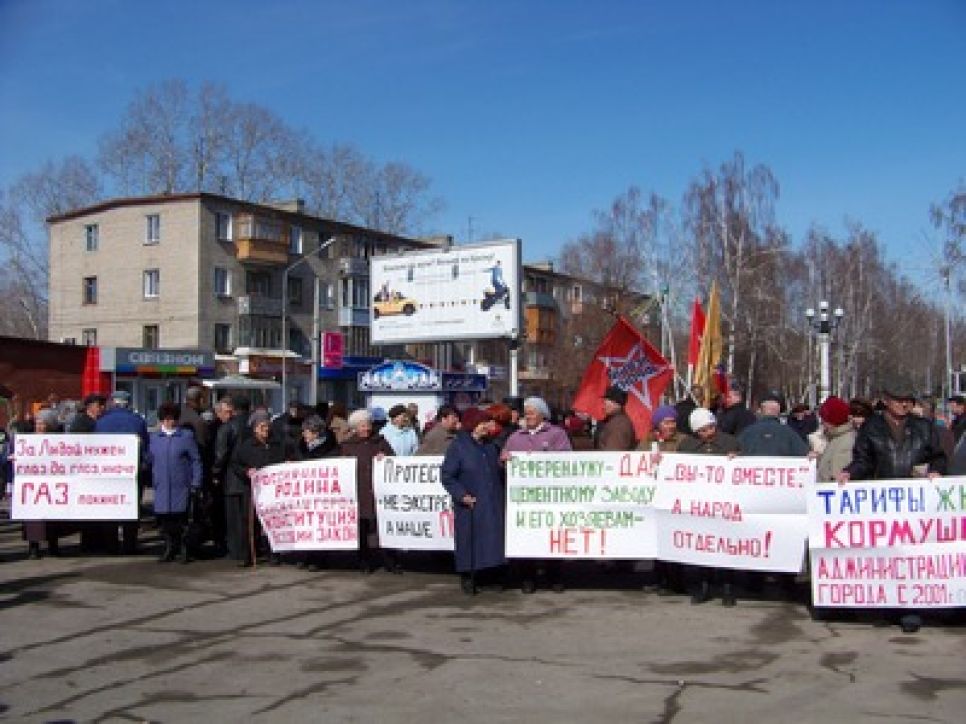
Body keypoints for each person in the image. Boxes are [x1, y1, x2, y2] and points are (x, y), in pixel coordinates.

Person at [838, 381, 947, 633]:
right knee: (887, 555)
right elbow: (863, 460)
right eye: (899, 399)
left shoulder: (924, 427)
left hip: (917, 501)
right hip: (883, 501)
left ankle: (911, 608)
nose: (905, 403)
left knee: (913, 555)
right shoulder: (871, 427)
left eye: (909, 399)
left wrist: (937, 471)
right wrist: (849, 473)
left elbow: (938, 456)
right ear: (886, 400)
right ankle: (888, 604)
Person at [501, 396, 571, 593]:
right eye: (526, 411)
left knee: (551, 536)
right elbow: (504, 459)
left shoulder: (557, 435)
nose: (528, 414)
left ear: (543, 414)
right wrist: (504, 459)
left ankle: (554, 577)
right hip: (524, 500)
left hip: (550, 497)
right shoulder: (516, 437)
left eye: (532, 411)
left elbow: (568, 461)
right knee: (527, 538)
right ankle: (527, 578)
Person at [678, 407, 741, 606]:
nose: (707, 434)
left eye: (710, 428)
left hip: (725, 503)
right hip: (699, 503)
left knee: (725, 546)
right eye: (702, 431)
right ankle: (703, 587)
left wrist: (737, 459)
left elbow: (746, 466)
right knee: (703, 546)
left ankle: (728, 588)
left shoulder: (729, 442)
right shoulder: (687, 445)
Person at [441, 407, 506, 594]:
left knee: (492, 540)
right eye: (483, 423)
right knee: (469, 541)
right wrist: (461, 495)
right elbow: (447, 476)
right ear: (473, 425)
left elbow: (498, 471)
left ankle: (491, 576)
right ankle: (468, 577)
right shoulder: (458, 447)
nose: (487, 426)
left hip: (491, 500)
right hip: (470, 502)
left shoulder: (491, 446)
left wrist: (505, 463)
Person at [339, 409, 396, 573]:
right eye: (362, 426)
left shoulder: (380, 441)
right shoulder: (348, 445)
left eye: (368, 425)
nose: (366, 429)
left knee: (382, 527)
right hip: (359, 492)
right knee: (362, 528)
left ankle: (389, 560)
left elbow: (394, 459)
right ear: (355, 428)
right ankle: (364, 561)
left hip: (379, 491)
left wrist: (385, 457)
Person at [95, 390, 151, 554]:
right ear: (128, 403)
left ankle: (111, 545)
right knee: (131, 508)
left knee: (110, 508)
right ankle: (129, 545)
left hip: (108, 473)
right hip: (132, 473)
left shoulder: (102, 422)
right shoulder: (138, 421)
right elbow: (146, 449)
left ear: (113, 402)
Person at [228, 410, 284, 567]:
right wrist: (246, 471)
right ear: (254, 428)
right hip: (253, 490)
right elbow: (235, 464)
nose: (266, 429)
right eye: (262, 426)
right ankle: (250, 555)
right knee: (251, 522)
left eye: (267, 426)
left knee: (273, 522)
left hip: (274, 491)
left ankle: (274, 554)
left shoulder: (276, 444)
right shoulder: (246, 446)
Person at [149, 402, 203, 563]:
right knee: (166, 522)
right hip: (162, 486)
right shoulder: (155, 439)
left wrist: (196, 482)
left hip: (181, 486)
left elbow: (196, 461)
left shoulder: (186, 437)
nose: (169, 422)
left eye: (172, 419)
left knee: (182, 521)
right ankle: (169, 548)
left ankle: (184, 549)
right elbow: (149, 460)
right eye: (166, 419)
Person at [20, 410, 71, 559]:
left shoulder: (58, 442)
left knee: (52, 517)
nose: (40, 426)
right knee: (32, 519)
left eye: (43, 423)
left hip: (52, 485)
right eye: (38, 423)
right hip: (32, 486)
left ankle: (53, 546)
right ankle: (33, 547)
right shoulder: (26, 441)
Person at [738, 394, 809, 457]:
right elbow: (803, 453)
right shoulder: (789, 433)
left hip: (754, 470)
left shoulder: (748, 432)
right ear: (778, 411)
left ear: (760, 411)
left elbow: (736, 452)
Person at [816, 396, 855, 482]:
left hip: (829, 493)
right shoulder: (836, 438)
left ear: (834, 420)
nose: (822, 423)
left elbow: (835, 476)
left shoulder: (845, 442)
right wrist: (817, 459)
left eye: (824, 419)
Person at [596, 386, 637, 451]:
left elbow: (613, 453)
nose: (603, 407)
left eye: (605, 403)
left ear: (615, 403)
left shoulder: (619, 424)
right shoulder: (616, 421)